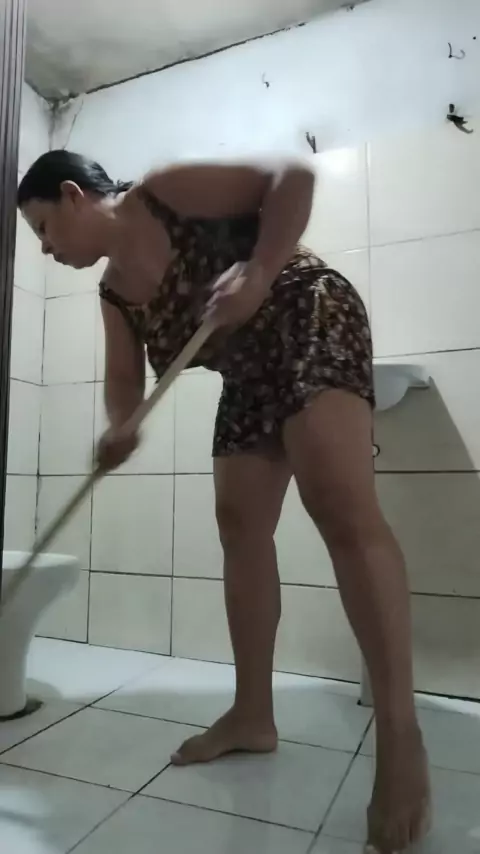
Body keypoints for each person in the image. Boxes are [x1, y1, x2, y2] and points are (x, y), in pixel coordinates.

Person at [18, 149, 430, 853]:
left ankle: (400, 732)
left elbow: (293, 177)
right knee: (239, 525)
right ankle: (252, 713)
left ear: (74, 195)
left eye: (43, 228)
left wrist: (259, 270)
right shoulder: (114, 294)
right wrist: (121, 426)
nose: (46, 249)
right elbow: (125, 381)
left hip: (305, 310)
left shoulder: (164, 193)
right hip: (246, 369)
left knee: (339, 507)